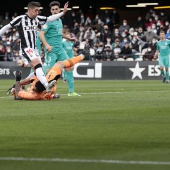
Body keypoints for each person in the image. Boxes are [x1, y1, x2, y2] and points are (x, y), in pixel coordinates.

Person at [0, 1, 69, 92]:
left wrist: (63, 12)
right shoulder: (20, 19)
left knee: (37, 73)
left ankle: (16, 86)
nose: (37, 12)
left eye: (38, 10)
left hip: (35, 50)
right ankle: (46, 85)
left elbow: (50, 18)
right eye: (36, 10)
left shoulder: (37, 19)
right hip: (26, 48)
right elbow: (7, 27)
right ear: (29, 9)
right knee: (37, 65)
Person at [8, 46, 89, 100]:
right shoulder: (34, 94)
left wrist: (16, 84)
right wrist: (17, 80)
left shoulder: (32, 94)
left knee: (54, 66)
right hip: (50, 81)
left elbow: (26, 82)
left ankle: (83, 56)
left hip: (49, 87)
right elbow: (22, 88)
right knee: (59, 64)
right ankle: (83, 56)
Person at [39, 1, 81, 97]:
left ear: (59, 10)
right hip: (51, 50)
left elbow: (58, 33)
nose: (55, 11)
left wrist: (68, 38)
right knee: (49, 72)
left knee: (70, 67)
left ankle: (71, 92)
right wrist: (47, 45)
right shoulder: (49, 21)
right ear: (50, 11)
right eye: (53, 10)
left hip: (60, 49)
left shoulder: (59, 20)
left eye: (56, 9)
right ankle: (42, 91)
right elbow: (41, 34)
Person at [62, 31, 81, 96]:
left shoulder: (71, 43)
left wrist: (76, 51)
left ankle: (71, 91)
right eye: (68, 35)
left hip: (71, 58)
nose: (69, 37)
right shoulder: (63, 43)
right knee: (67, 70)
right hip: (65, 59)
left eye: (70, 35)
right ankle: (64, 78)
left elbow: (72, 49)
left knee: (71, 71)